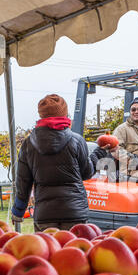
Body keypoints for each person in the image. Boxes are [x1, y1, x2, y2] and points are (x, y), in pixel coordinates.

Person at [11, 94, 106, 232]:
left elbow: (23, 182)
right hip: (74, 213)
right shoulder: (77, 141)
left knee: (48, 252)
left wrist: (18, 210)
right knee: (75, 252)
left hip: (45, 215)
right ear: (65, 114)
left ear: (41, 116)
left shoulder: (28, 144)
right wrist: (99, 154)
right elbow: (86, 173)